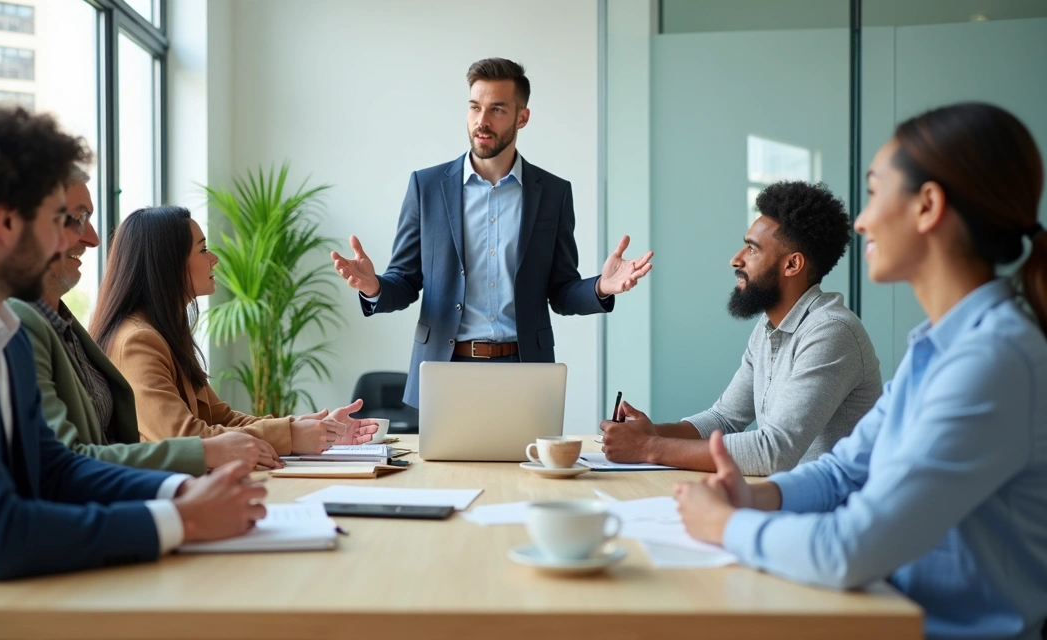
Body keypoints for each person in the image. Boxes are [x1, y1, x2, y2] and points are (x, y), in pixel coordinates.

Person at [0, 93, 266, 640]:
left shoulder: (1, 324)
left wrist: (179, 494)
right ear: (7, 222)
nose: (77, 239)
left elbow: (54, 469)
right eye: (63, 219)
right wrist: (182, 521)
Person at [674, 102, 1047, 640]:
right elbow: (843, 472)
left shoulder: (993, 361)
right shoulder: (938, 348)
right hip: (885, 612)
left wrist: (727, 525)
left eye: (875, 192)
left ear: (928, 206)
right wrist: (753, 497)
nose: (864, 220)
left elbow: (851, 548)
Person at [330, 58, 653, 407]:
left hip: (524, 368)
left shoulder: (553, 194)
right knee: (444, 464)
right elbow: (405, 281)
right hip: (445, 368)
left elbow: (560, 291)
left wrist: (600, 287)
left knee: (523, 463)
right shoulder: (427, 187)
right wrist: (373, 287)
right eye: (474, 107)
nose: (481, 121)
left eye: (497, 109)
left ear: (522, 117)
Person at [7, 168, 278, 474]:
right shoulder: (134, 338)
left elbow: (219, 419)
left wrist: (301, 430)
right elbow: (68, 462)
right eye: (76, 218)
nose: (94, 239)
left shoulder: (67, 328)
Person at [601, 181, 882, 475]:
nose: (736, 259)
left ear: (792, 265)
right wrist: (651, 433)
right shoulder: (768, 328)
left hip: (833, 511)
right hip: (786, 500)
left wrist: (649, 448)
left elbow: (774, 452)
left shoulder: (831, 332)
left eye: (752, 249)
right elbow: (724, 419)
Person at [91, 206, 378, 454]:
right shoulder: (137, 341)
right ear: (168, 263)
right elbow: (185, 439)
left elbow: (221, 419)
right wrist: (291, 437)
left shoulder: (163, 333)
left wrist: (308, 428)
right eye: (203, 250)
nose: (213, 258)